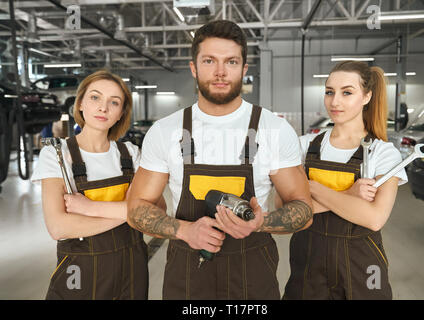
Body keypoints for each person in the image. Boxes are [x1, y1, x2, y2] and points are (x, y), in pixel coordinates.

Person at [127, 20, 313, 300]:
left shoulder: (273, 129)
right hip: (187, 273)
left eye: (231, 61)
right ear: (194, 67)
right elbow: (136, 208)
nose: (220, 72)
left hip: (253, 274)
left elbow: (303, 209)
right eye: (209, 60)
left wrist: (260, 223)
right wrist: (184, 230)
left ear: (244, 69)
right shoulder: (165, 131)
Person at [283, 61, 408, 300]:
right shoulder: (304, 145)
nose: (334, 101)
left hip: (362, 264)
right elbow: (285, 212)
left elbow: (373, 218)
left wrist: (310, 189)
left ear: (367, 96)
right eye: (329, 92)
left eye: (347, 92)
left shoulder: (382, 153)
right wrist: (348, 195)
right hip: (308, 261)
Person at [31, 70, 156, 300]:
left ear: (121, 113)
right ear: (80, 104)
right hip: (80, 272)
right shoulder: (56, 154)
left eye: (114, 102)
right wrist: (134, 210)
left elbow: (158, 213)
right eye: (95, 97)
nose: (103, 107)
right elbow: (59, 227)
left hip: (133, 269)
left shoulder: (131, 154)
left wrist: (89, 209)